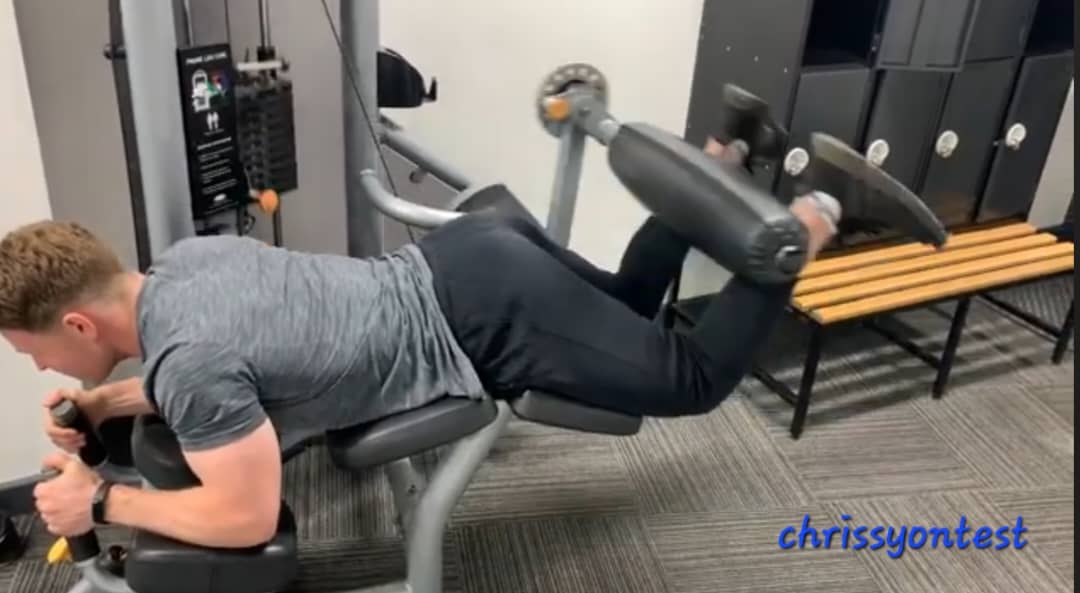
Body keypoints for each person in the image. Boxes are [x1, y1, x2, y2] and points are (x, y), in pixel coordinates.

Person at [0, 137, 942, 550]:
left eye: (34, 350)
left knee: (693, 377)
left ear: (77, 323)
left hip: (486, 321)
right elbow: (218, 373)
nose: (40, 367)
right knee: (628, 302)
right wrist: (104, 402)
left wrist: (103, 499)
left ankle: (815, 217)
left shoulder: (189, 363)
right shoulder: (181, 267)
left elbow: (243, 516)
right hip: (467, 254)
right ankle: (723, 160)